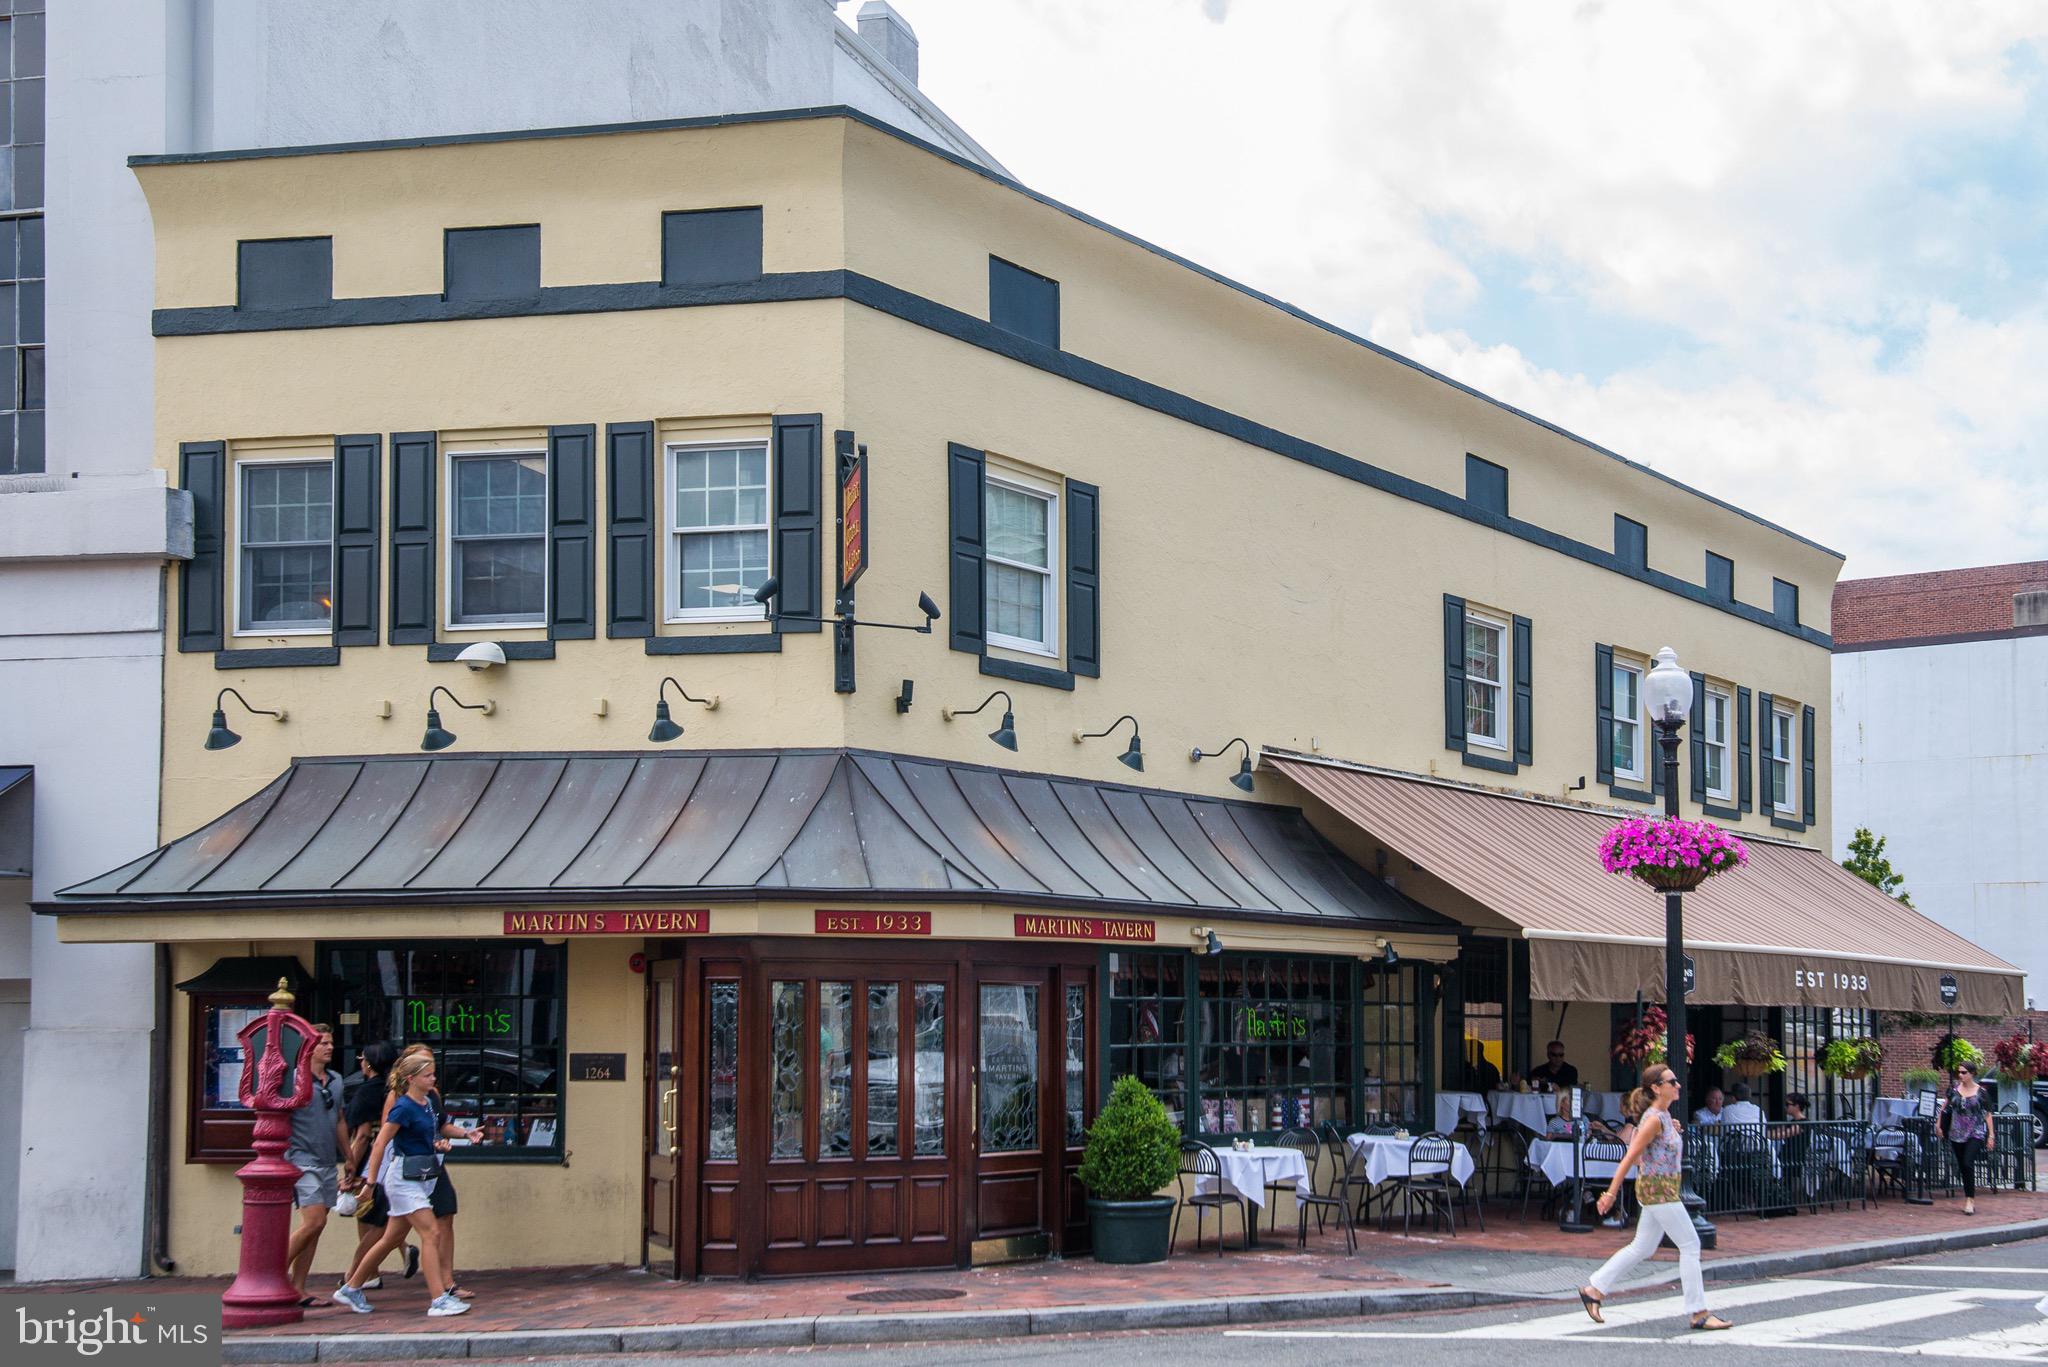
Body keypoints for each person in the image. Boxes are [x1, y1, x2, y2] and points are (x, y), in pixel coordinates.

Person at [1577, 1064, 1732, 1332]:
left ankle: (1594, 1289)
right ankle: (1698, 1312)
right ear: (1656, 1088)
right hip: (1658, 1191)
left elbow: (1646, 1155)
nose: (1678, 1085)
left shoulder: (1662, 1117)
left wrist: (1670, 1131)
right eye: (1672, 1081)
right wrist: (1611, 1193)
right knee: (1690, 1244)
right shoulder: (1652, 1120)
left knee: (1643, 1248)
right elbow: (1630, 1157)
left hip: (1662, 1189)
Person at [332, 1053, 467, 1317]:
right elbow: (381, 1143)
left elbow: (430, 1135)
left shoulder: (427, 1103)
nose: (433, 1078)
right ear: (411, 1078)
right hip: (403, 1180)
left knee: (390, 1237)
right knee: (431, 1233)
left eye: (433, 1074)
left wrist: (454, 1138)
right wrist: (371, 1183)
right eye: (428, 1075)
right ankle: (439, 1298)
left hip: (420, 1176)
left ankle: (351, 1287)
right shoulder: (402, 1106)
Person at [283, 1025, 352, 1305]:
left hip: (325, 1160)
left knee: (317, 1227)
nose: (329, 1047)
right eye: (323, 1043)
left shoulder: (335, 1080)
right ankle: (272, 1273)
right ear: (308, 1047)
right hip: (301, 1159)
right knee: (314, 1221)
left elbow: (339, 1119)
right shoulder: (294, 1080)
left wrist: (349, 1155)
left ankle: (298, 1287)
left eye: (331, 1042)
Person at [343, 1041, 400, 1289]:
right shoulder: (393, 1088)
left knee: (375, 1219)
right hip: (393, 1159)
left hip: (374, 1162)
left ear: (368, 1063)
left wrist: (351, 1167)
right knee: (373, 1217)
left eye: (362, 1058)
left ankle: (354, 1276)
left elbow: (363, 1135)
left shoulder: (367, 1091)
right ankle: (370, 1273)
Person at [1940, 1060, 1994, 1216]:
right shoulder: (1953, 1090)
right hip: (1956, 1133)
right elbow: (1944, 1108)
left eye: (1964, 1072)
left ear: (1972, 1074)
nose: (1960, 1075)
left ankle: (1970, 1200)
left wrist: (1991, 1135)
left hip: (1975, 1132)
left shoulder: (1981, 1093)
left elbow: (1988, 1114)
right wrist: (1939, 1125)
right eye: (1959, 1072)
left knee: (1967, 1162)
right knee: (1963, 1167)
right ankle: (1968, 1194)